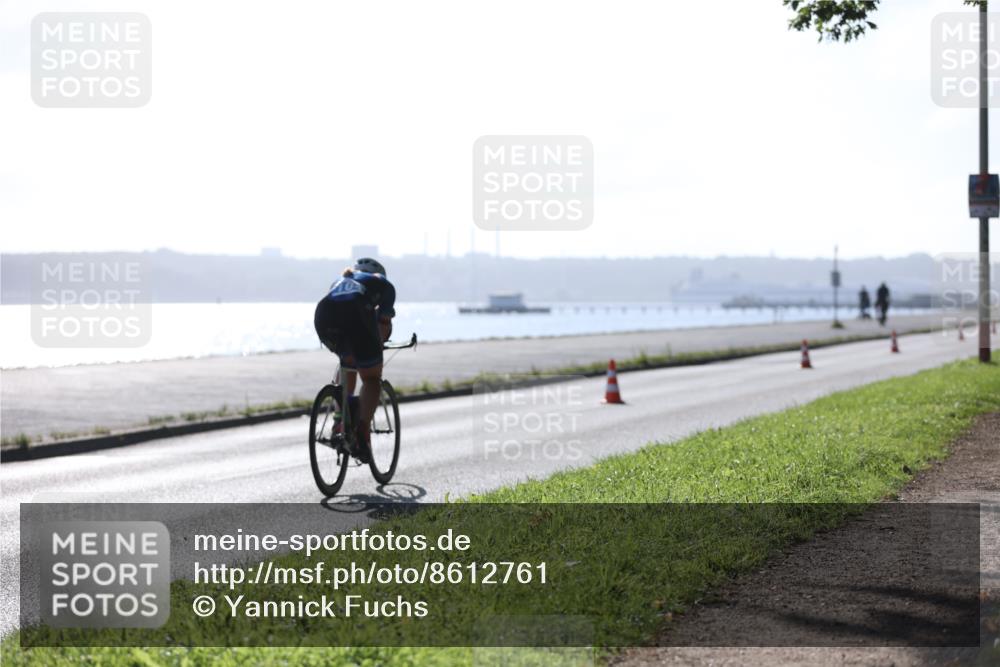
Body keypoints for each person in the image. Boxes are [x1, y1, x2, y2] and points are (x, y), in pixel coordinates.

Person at [313, 257, 395, 461]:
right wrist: (376, 349)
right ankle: (362, 433)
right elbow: (383, 326)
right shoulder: (385, 286)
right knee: (371, 378)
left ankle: (339, 420)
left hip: (323, 315)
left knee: (347, 361)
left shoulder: (340, 281)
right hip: (354, 315)